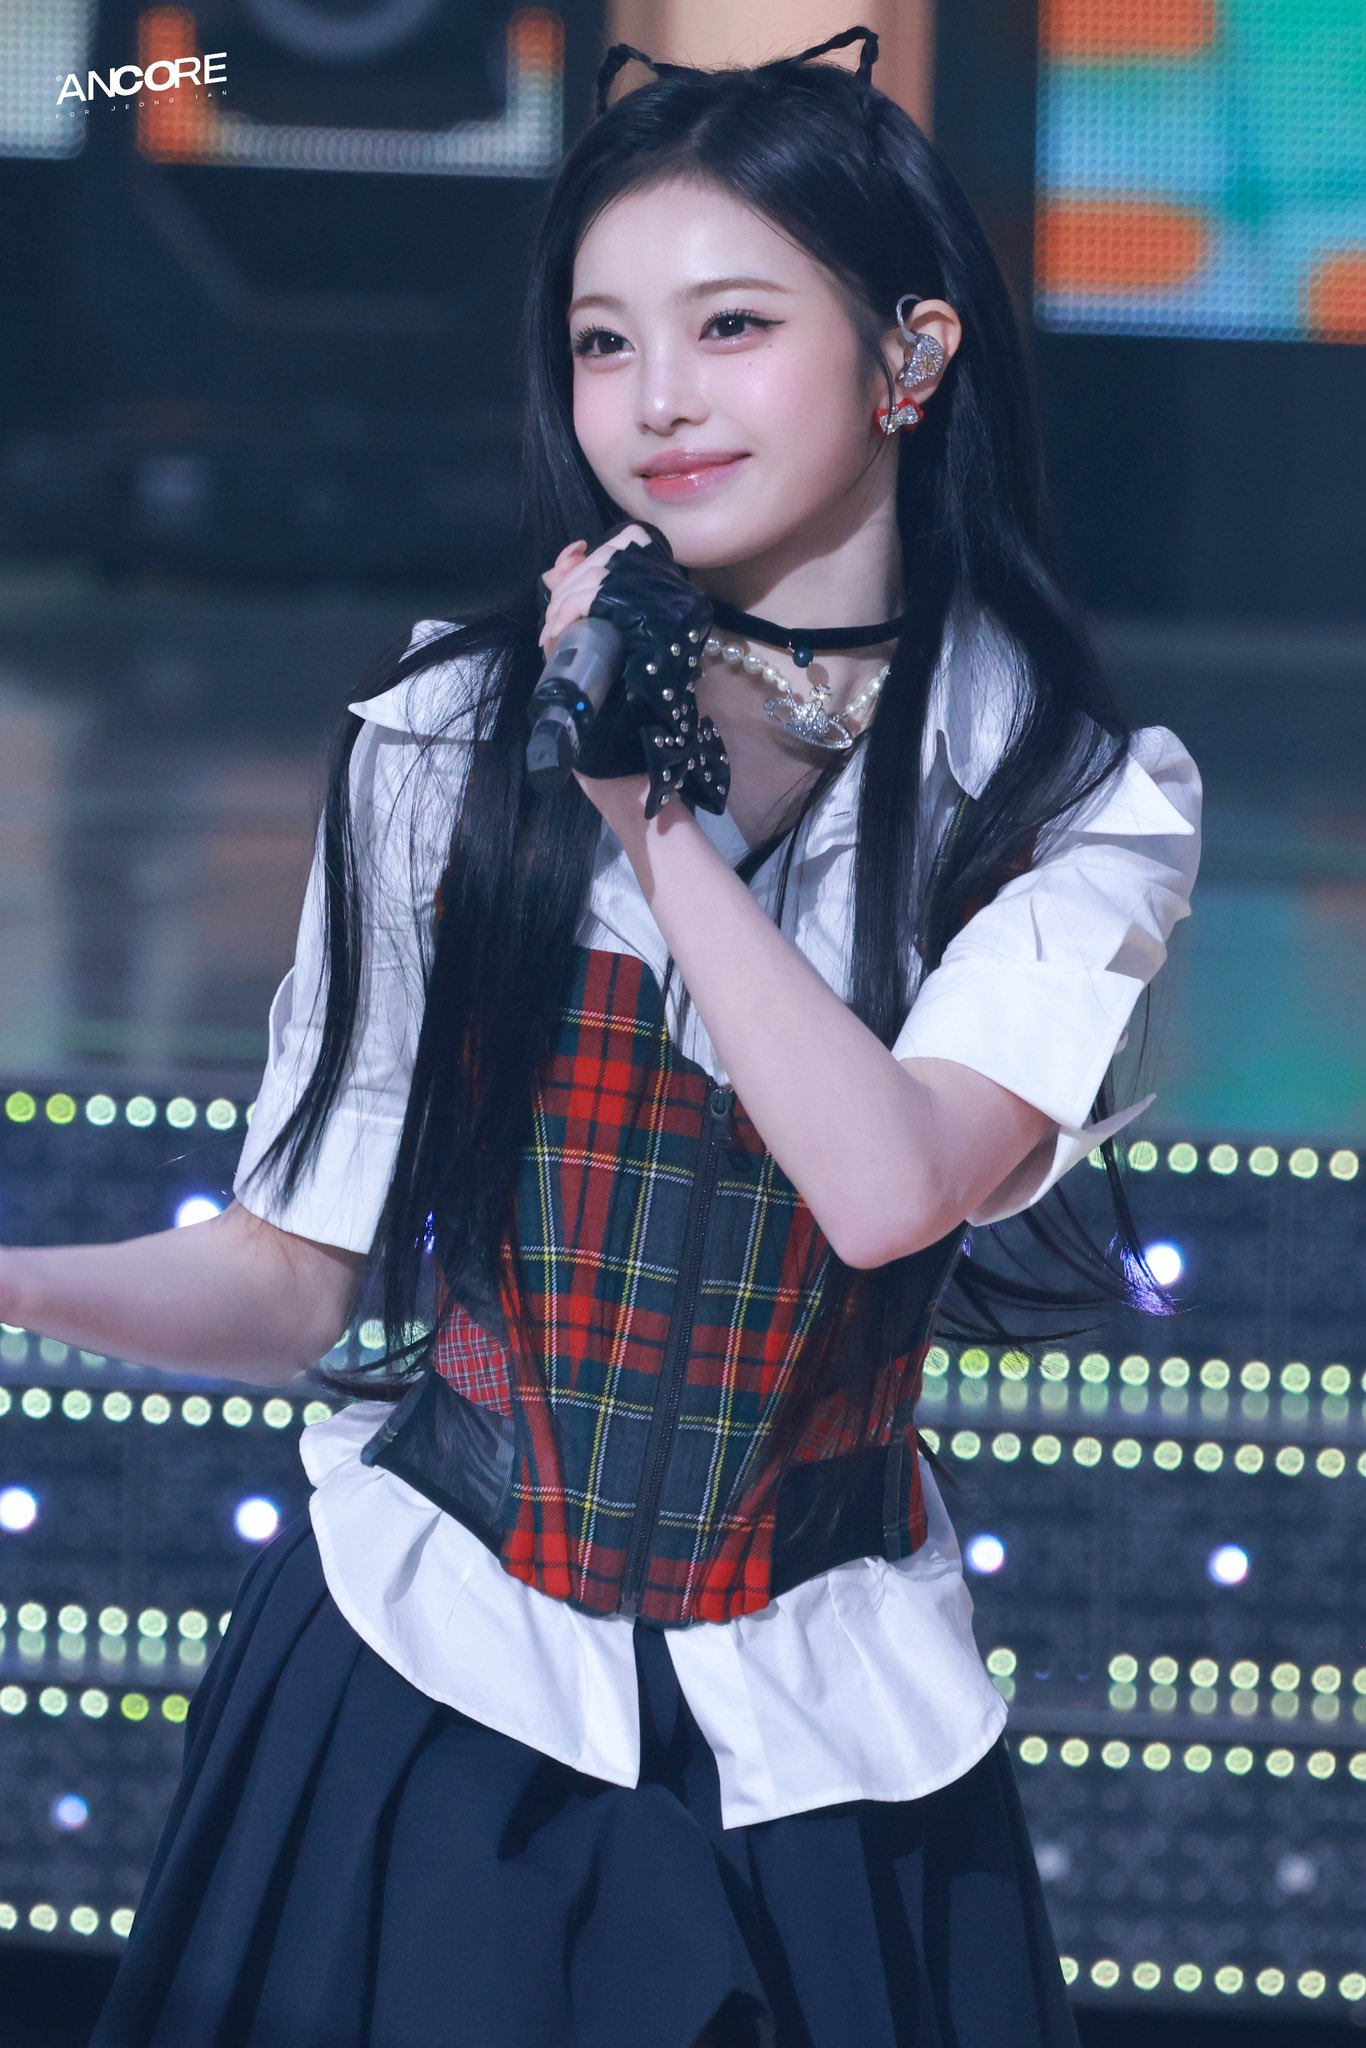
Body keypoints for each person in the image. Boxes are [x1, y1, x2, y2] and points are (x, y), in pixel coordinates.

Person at [27, 24, 1202, 2048]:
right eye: (599, 342)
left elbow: (885, 1186)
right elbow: (295, 1276)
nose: (654, 401)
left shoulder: (1063, 797)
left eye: (730, 325)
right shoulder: (442, 737)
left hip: (828, 1744)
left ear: (909, 355)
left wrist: (652, 818)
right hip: (423, 1699)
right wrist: (20, 1277)